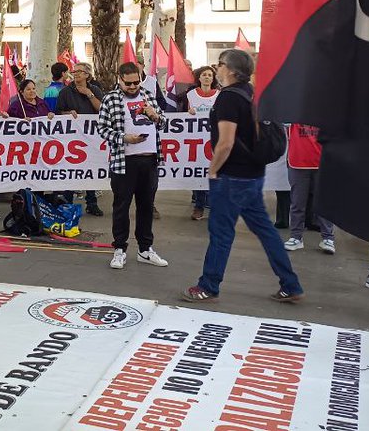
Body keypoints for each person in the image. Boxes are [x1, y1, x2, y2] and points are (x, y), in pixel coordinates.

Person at [182, 48, 304, 304]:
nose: (217, 68)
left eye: (221, 64)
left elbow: (225, 143)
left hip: (231, 177)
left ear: (232, 70)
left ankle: (208, 285)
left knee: (221, 233)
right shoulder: (252, 94)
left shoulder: (228, 99)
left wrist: (213, 170)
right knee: (266, 231)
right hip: (253, 175)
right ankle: (290, 284)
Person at [99, 62, 168, 269]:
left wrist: (155, 115)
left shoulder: (147, 94)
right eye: (128, 83)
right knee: (121, 206)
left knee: (146, 206)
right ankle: (119, 249)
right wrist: (124, 138)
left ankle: (145, 249)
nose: (132, 87)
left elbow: (163, 122)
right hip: (124, 161)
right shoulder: (110, 99)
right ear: (119, 79)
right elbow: (102, 128)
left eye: (136, 82)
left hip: (149, 160)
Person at [55, 63, 104, 216]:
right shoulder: (65, 92)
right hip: (72, 139)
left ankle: (91, 202)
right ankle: (67, 201)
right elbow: (59, 112)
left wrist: (89, 94)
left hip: (91, 138)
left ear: (87, 75)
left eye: (80, 72)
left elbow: (102, 109)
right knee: (71, 169)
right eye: (74, 71)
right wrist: (68, 113)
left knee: (90, 169)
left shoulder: (95, 90)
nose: (76, 74)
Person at [283, 123, 335, 254]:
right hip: (298, 161)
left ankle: (328, 238)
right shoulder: (293, 109)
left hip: (322, 161)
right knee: (297, 203)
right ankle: (296, 236)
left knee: (324, 203)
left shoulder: (327, 111)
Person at [186, 66, 219, 220]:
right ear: (199, 78)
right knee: (198, 173)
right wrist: (189, 113)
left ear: (213, 78)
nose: (207, 77)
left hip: (214, 141)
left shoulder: (219, 95)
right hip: (197, 142)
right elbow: (183, 117)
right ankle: (198, 207)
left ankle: (214, 207)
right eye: (204, 75)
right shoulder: (191, 95)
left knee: (214, 174)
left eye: (209, 75)